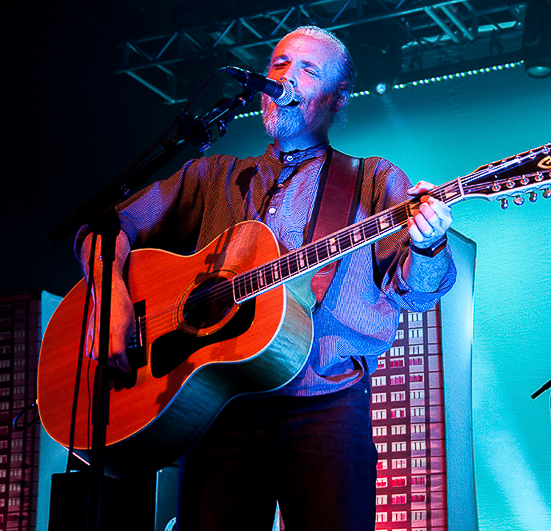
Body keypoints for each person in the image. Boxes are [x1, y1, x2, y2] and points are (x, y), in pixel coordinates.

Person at [76, 26, 457, 530]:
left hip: (326, 408)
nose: (285, 77)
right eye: (278, 64)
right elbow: (106, 227)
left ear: (337, 100)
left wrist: (428, 243)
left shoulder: (373, 181)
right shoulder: (211, 177)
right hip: (217, 405)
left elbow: (418, 291)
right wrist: (112, 299)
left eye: (307, 69)